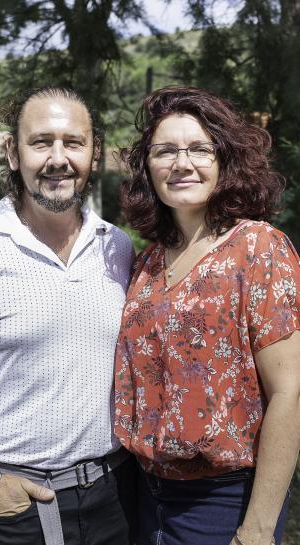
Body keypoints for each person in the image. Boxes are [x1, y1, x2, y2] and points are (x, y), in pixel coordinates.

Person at [0, 86, 136, 545]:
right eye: (41, 142)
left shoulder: (116, 246)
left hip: (117, 496)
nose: (58, 158)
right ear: (13, 152)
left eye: (74, 143)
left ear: (94, 155)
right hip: (19, 506)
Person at [114, 86, 300, 545]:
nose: (182, 163)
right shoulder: (148, 262)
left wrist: (256, 528)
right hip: (142, 492)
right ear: (148, 169)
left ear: (225, 161)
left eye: (200, 149)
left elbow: (290, 394)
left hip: (222, 500)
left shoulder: (258, 248)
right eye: (165, 151)